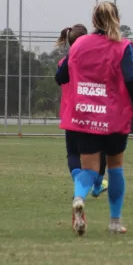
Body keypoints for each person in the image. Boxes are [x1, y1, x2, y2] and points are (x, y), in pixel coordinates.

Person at [57, 1, 133, 236]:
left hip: (85, 115)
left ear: (94, 21)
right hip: (115, 117)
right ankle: (115, 223)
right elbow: (130, 79)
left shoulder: (79, 44)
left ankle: (78, 198)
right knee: (115, 168)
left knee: (89, 169)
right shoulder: (124, 46)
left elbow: (62, 74)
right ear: (117, 19)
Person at [55, 25, 108, 199]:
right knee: (100, 151)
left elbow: (60, 78)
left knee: (73, 153)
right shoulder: (93, 62)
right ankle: (97, 185)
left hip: (70, 113)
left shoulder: (63, 62)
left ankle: (79, 184)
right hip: (91, 112)